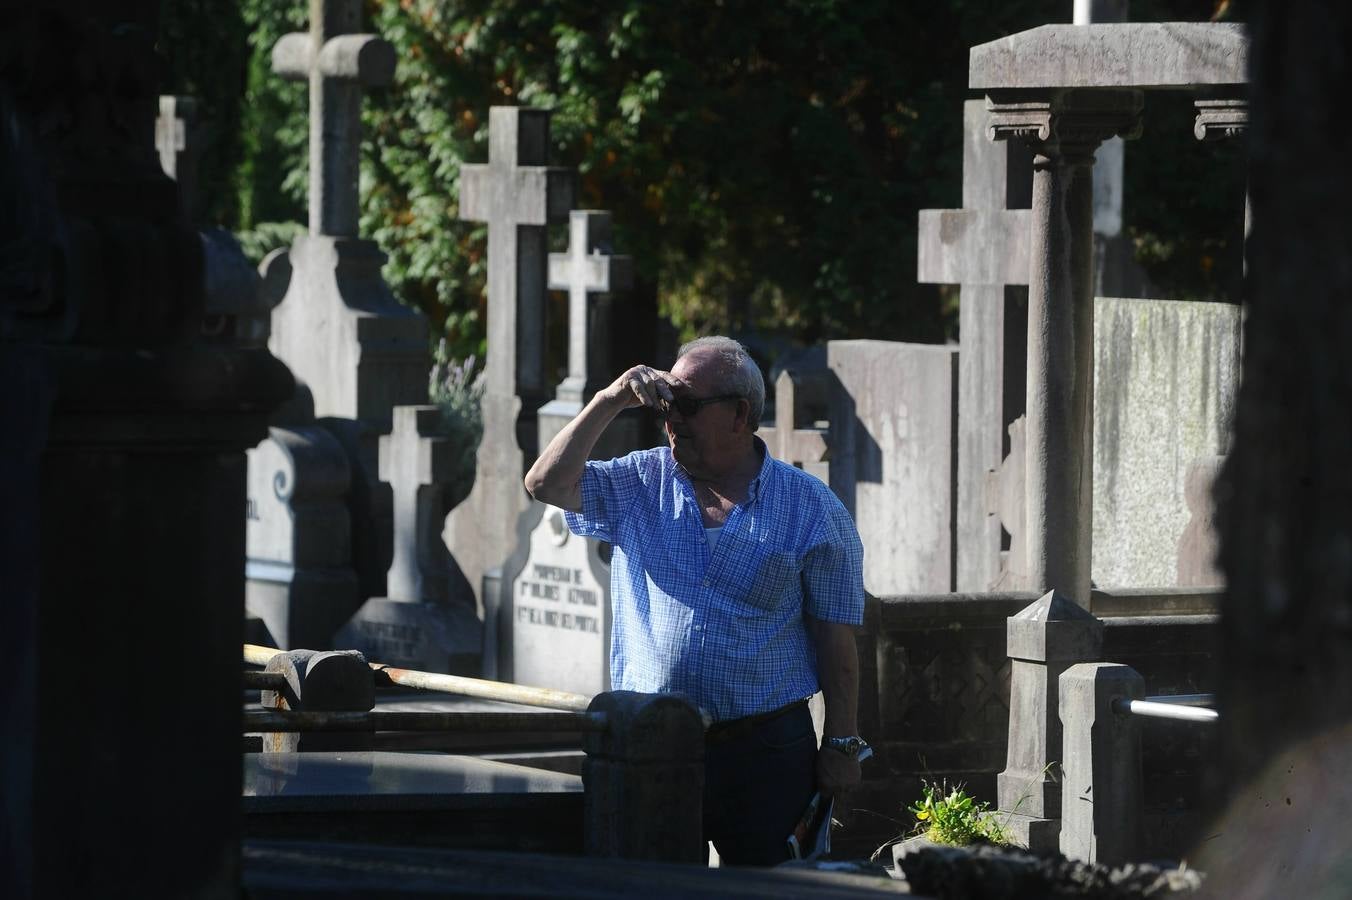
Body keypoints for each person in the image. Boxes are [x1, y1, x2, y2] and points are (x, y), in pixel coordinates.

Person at [524, 335, 867, 866]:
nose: (670, 419)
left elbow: (835, 640)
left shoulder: (812, 509)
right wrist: (611, 399)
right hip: (651, 744)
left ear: (739, 415)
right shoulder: (641, 480)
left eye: (685, 404)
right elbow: (545, 483)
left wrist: (842, 743)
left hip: (766, 751)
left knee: (769, 894)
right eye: (664, 404)